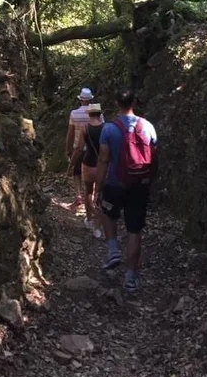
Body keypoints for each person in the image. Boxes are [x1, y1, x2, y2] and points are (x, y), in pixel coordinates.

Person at [95, 90, 158, 294]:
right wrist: (150, 182)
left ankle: (113, 249)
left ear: (117, 103)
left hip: (115, 184)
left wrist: (98, 188)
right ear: (134, 103)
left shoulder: (109, 129)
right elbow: (154, 158)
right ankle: (131, 278)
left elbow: (103, 160)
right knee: (134, 231)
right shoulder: (148, 127)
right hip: (140, 185)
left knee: (108, 213)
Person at [69, 102, 105, 238]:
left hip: (88, 163)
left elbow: (78, 148)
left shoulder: (85, 128)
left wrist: (71, 164)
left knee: (88, 191)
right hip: (102, 164)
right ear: (100, 114)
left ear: (89, 114)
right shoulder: (106, 128)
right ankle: (98, 226)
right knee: (100, 194)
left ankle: (89, 220)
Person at [65, 87, 93, 209]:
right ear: (90, 100)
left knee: (76, 173)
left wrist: (68, 149)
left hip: (78, 149)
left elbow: (70, 133)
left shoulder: (74, 113)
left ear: (81, 99)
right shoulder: (96, 113)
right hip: (93, 149)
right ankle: (91, 198)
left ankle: (78, 196)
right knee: (91, 175)